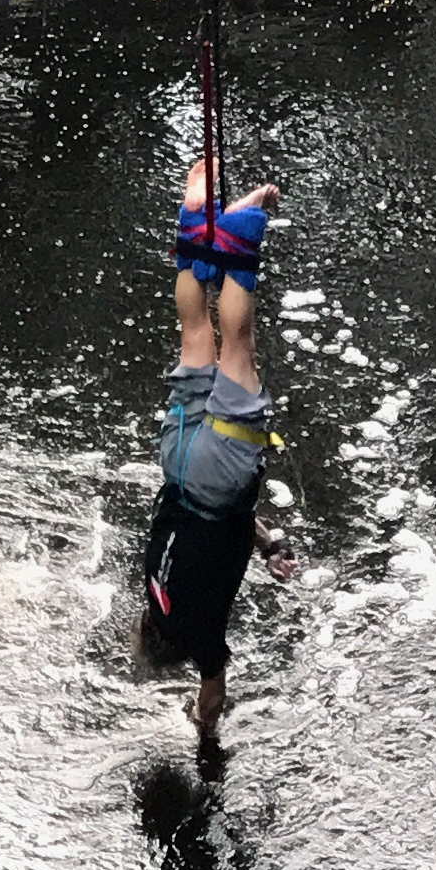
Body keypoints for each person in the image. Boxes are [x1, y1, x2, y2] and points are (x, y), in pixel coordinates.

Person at [137, 161, 295, 748]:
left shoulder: (198, 636)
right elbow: (220, 531)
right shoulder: (155, 583)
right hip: (177, 465)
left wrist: (203, 728)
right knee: (196, 335)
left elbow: (214, 694)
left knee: (237, 348)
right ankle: (194, 230)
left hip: (216, 476)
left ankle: (242, 232)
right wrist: (268, 544)